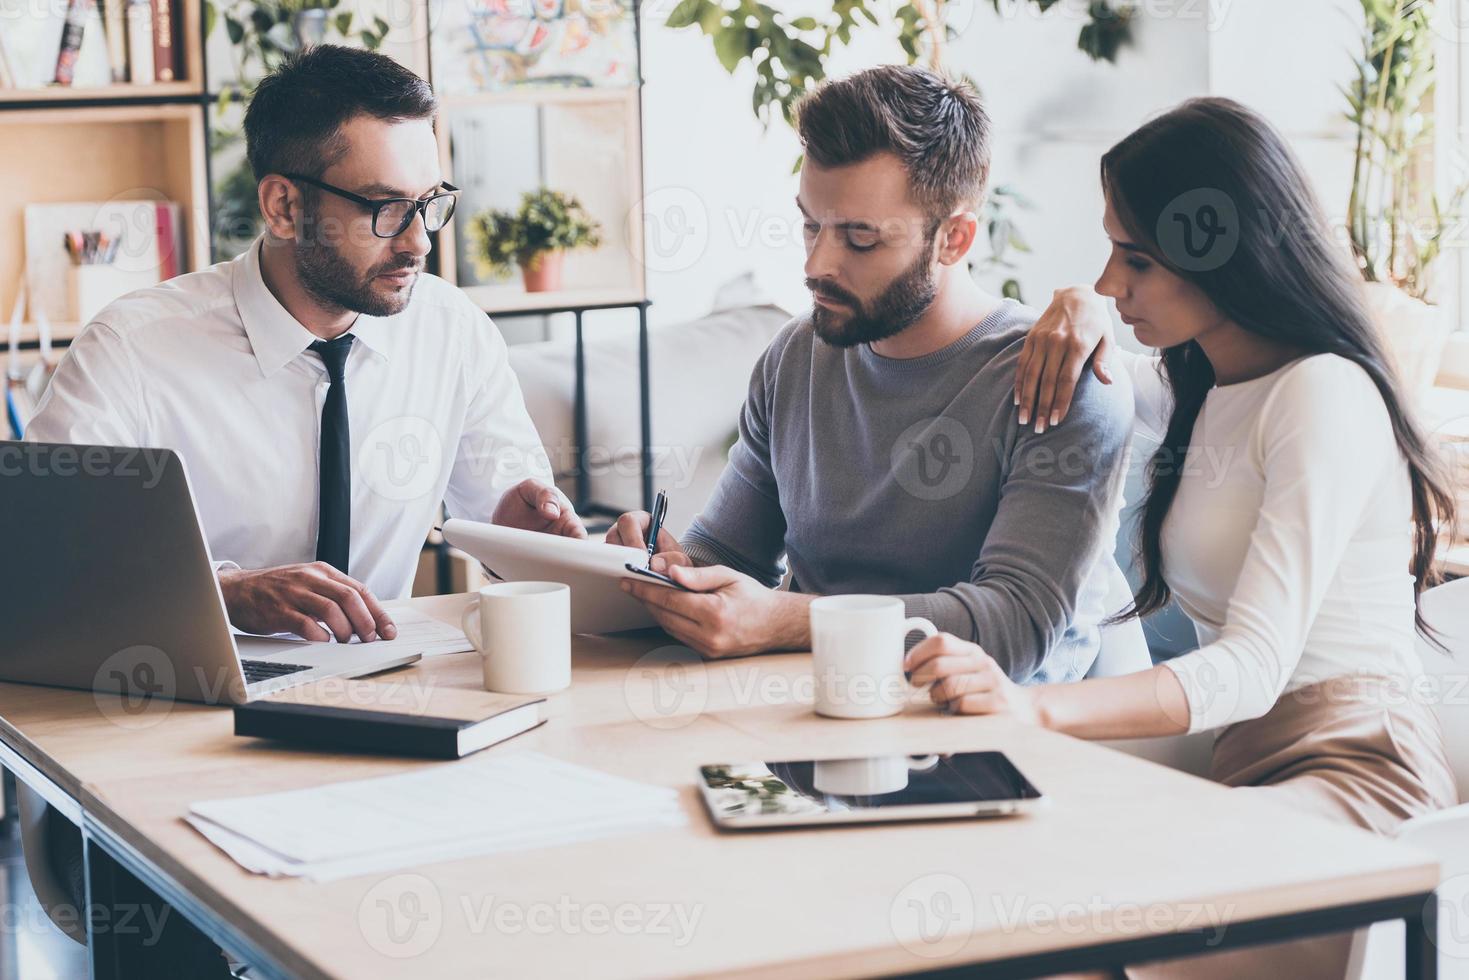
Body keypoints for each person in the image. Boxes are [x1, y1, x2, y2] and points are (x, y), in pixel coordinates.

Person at [907, 96, 1459, 978]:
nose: (1112, 283)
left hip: (1355, 780)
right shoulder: (1198, 385)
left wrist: (1035, 707)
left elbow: (1252, 667)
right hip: (1247, 769)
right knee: (999, 873)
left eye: (1135, 259)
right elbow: (1089, 372)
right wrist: (1074, 304)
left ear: (1225, 253)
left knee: (1078, 916)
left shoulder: (1321, 393)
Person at [29, 45, 584, 646]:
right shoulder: (130, 351)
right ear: (283, 206)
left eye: (428, 204)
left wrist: (526, 543)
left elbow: (515, 535)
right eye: (387, 208)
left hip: (389, 688)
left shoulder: (454, 332)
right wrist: (225, 593)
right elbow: (43, 562)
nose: (419, 242)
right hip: (184, 696)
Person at [610, 64, 1134, 684]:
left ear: (955, 239)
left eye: (859, 240)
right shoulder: (795, 357)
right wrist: (663, 567)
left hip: (985, 748)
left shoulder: (1059, 377)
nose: (816, 264)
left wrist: (786, 619)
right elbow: (726, 553)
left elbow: (1015, 625)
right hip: (803, 723)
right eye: (811, 224)